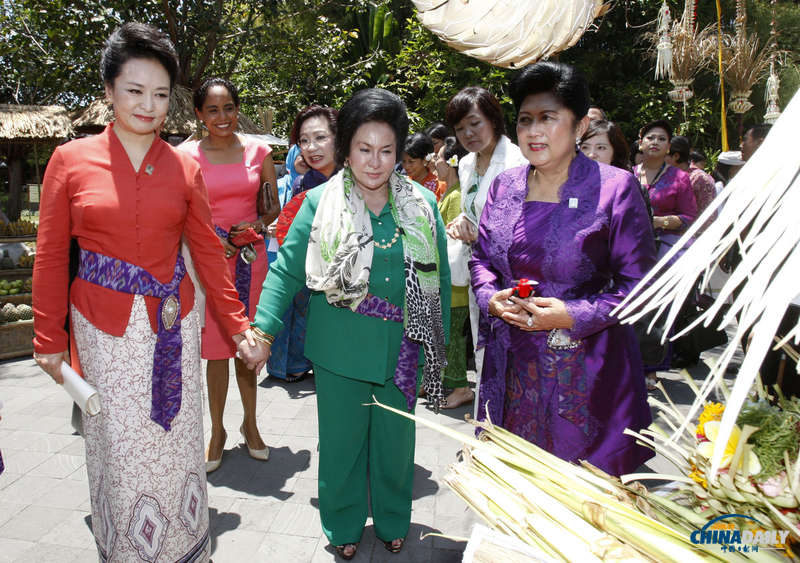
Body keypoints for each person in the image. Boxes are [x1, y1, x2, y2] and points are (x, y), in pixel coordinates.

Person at [32, 23, 258, 562]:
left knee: (175, 443)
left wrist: (238, 325)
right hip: (103, 334)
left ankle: (181, 547)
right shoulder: (70, 159)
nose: (147, 105)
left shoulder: (184, 166)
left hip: (171, 330)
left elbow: (208, 253)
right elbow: (51, 252)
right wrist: (47, 337)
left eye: (160, 94)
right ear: (108, 90)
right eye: (134, 91)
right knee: (117, 449)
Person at [248, 89, 450, 559]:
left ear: (400, 151)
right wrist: (262, 331)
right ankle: (342, 527)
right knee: (341, 447)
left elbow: (435, 279)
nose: (375, 162)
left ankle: (394, 520)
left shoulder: (421, 203)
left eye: (386, 150)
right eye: (363, 149)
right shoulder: (318, 202)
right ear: (346, 149)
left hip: (402, 348)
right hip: (338, 349)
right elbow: (286, 270)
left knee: (396, 445)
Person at [470, 61, 655, 476]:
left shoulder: (614, 188)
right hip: (511, 367)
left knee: (580, 504)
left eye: (548, 118)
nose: (533, 132)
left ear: (581, 124)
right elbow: (481, 259)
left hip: (584, 372)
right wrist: (490, 298)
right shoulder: (505, 186)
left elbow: (640, 285)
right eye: (524, 120)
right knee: (514, 489)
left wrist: (572, 315)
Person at [179, 76, 279, 472]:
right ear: (200, 114)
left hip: (250, 260)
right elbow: (179, 209)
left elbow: (271, 206)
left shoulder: (259, 151)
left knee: (248, 344)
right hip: (205, 265)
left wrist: (250, 228)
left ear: (238, 109)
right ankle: (217, 430)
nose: (223, 117)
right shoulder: (183, 156)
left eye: (229, 108)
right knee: (215, 350)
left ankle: (251, 425)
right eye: (213, 110)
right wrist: (209, 241)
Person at [444, 87, 526, 407]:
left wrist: (477, 233)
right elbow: (472, 209)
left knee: (513, 355)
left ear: (494, 119)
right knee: (483, 350)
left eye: (474, 123)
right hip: (480, 272)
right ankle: (489, 425)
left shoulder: (518, 161)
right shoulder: (465, 164)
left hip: (512, 274)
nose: (468, 133)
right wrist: (462, 222)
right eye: (460, 127)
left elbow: (522, 224)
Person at [267, 105, 339, 383]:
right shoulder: (302, 183)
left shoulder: (357, 179)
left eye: (320, 138)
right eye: (304, 141)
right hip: (309, 270)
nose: (311, 147)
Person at [633, 119, 697, 389]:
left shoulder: (680, 178)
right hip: (630, 248)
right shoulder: (628, 174)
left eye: (661, 139)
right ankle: (627, 363)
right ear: (640, 143)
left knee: (657, 310)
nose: (655, 142)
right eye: (650, 137)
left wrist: (658, 221)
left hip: (663, 250)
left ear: (669, 147)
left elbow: (689, 217)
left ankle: (651, 368)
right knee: (630, 307)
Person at [435, 137, 473, 409]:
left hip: (454, 282)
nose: (433, 161)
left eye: (438, 156)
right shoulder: (452, 191)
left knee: (453, 337)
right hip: (446, 279)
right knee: (443, 333)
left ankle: (461, 387)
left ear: (451, 163)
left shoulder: (457, 195)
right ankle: (435, 380)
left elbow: (453, 238)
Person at [666, 135, 716, 235]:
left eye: (664, 155)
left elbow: (707, 219)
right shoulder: (662, 175)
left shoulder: (701, 179)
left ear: (676, 156)